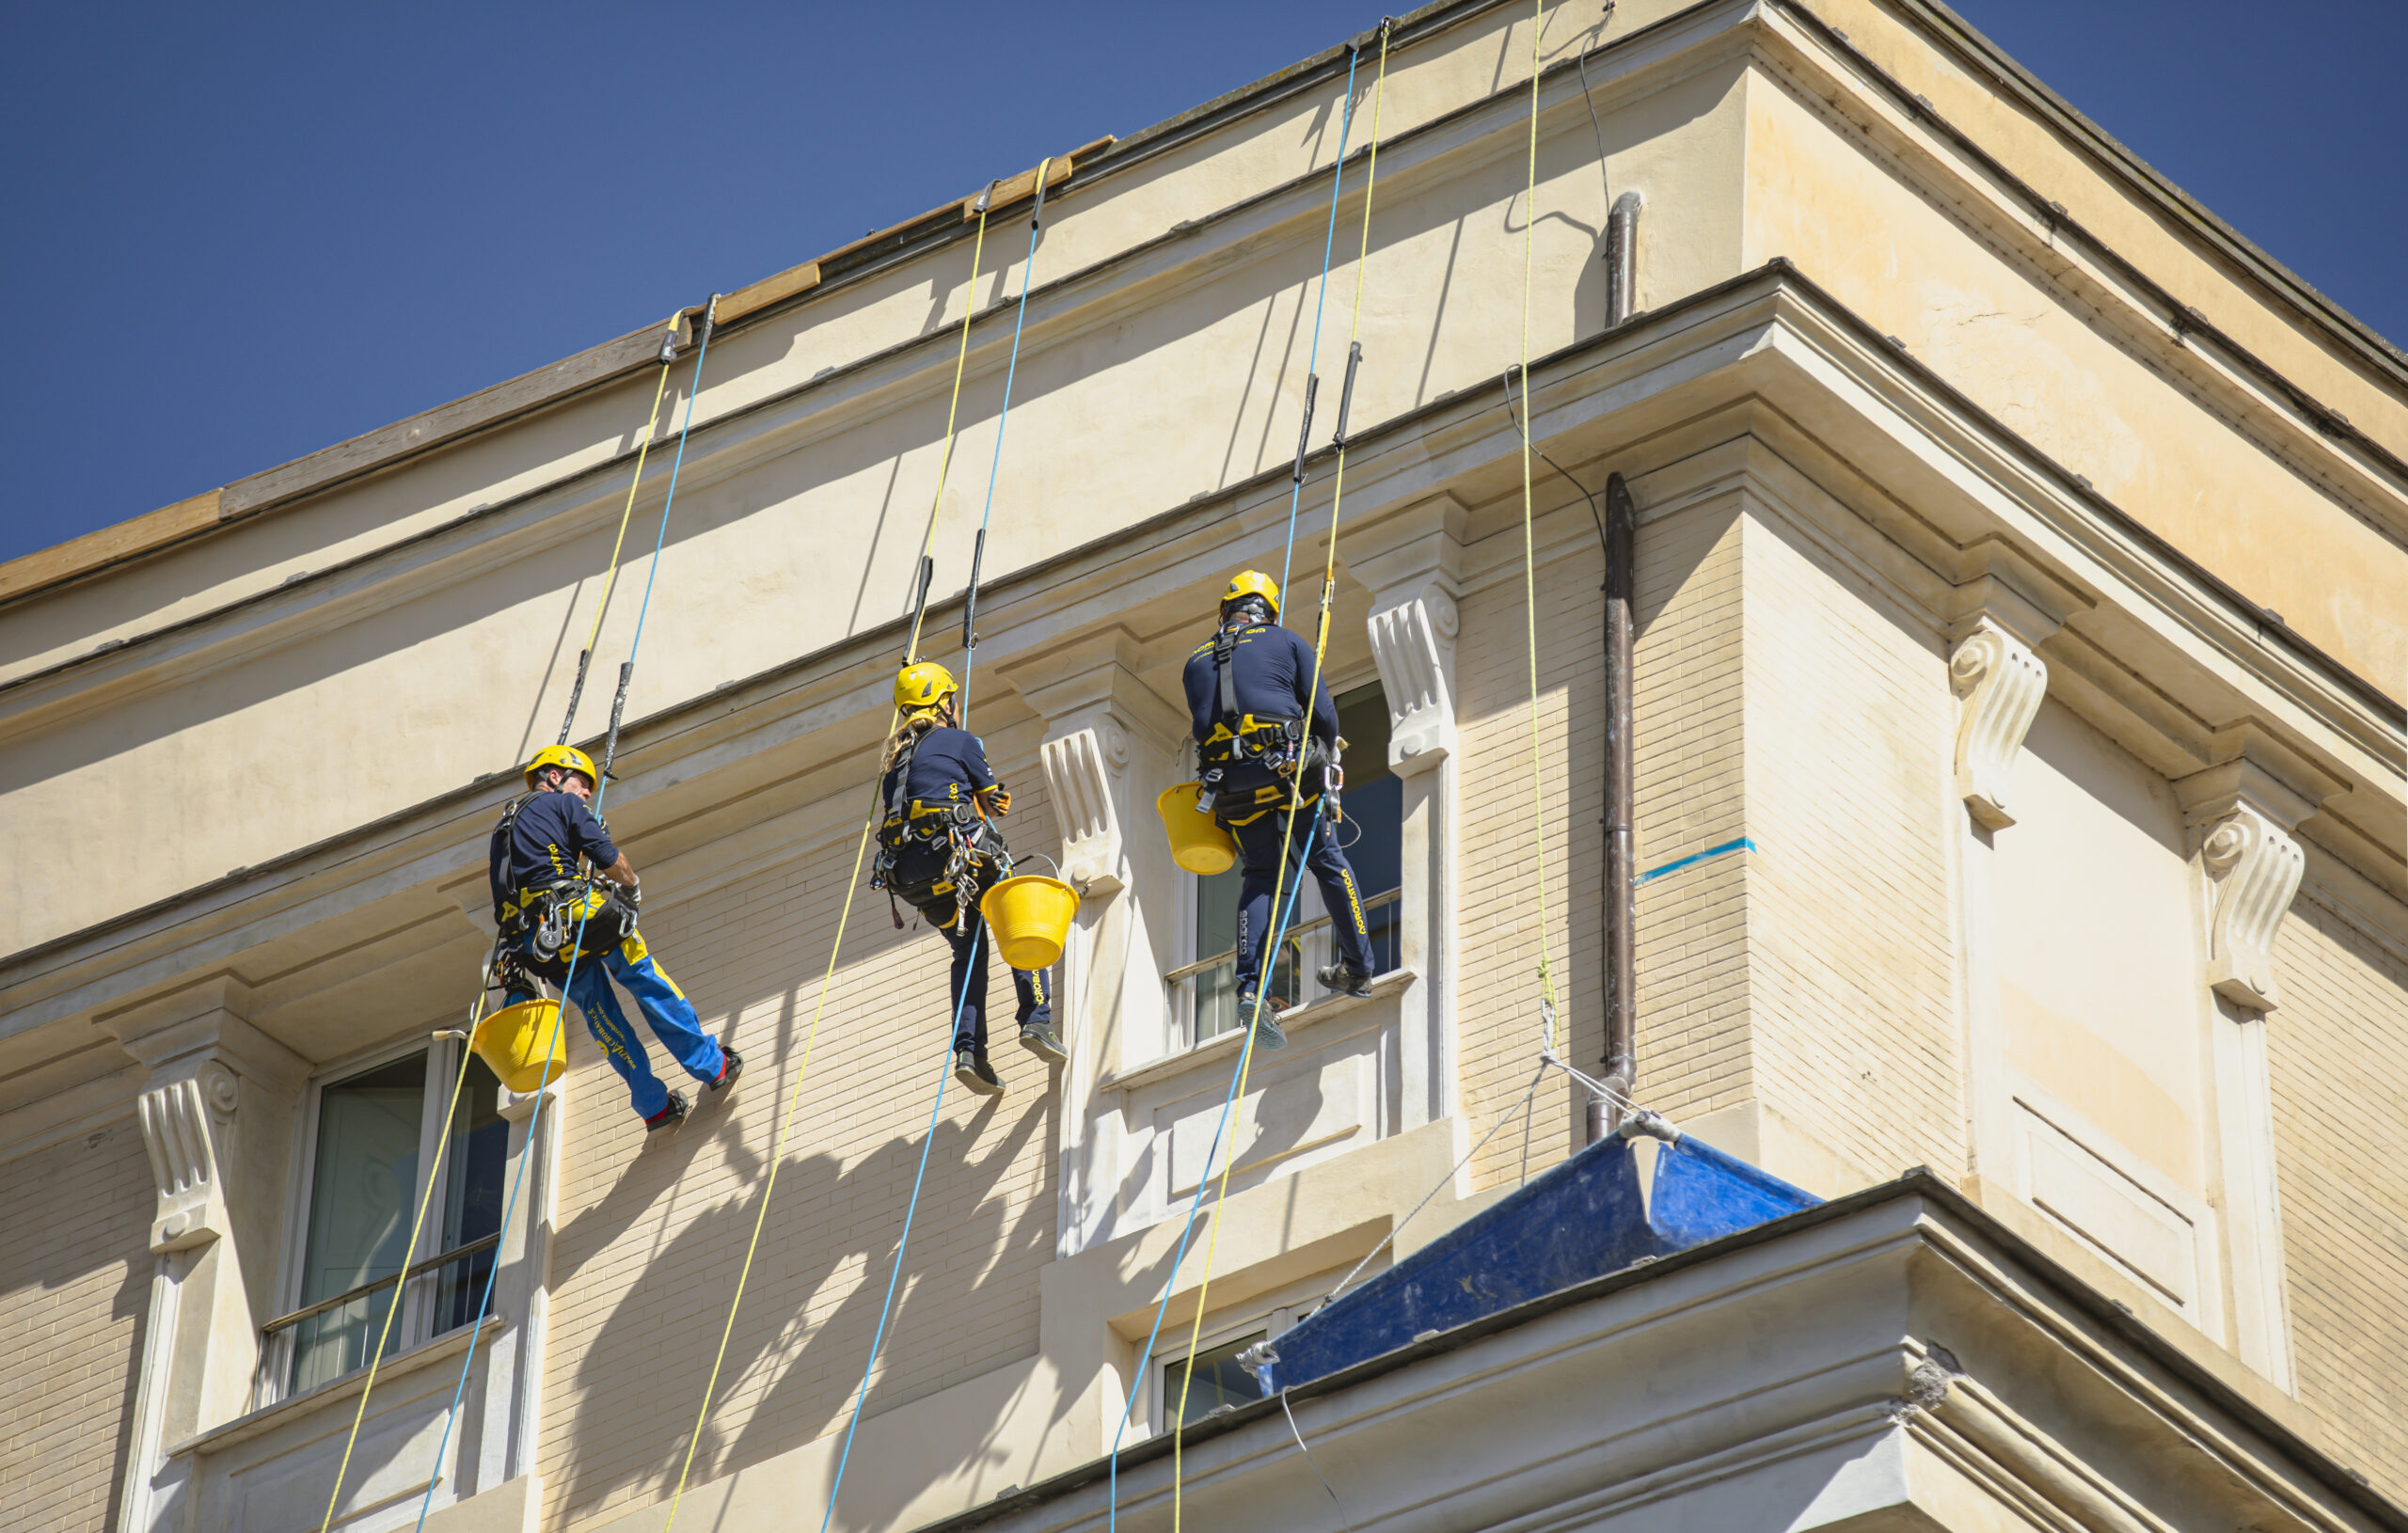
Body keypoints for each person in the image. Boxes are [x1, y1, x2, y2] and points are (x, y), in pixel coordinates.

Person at [489, 745, 740, 1132]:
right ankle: (711, 1064)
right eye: (581, 783)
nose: (587, 793)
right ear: (554, 778)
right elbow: (608, 857)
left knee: (601, 1014)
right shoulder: (565, 806)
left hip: (537, 941)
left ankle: (654, 1106)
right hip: (577, 913)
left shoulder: (504, 830)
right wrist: (632, 886)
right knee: (646, 979)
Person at [1180, 571, 1378, 1051]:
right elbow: (1324, 714)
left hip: (1230, 784)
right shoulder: (1287, 641)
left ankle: (1251, 989)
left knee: (1261, 876)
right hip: (1291, 772)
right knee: (1326, 860)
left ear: (1224, 612)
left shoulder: (1194, 662)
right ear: (1269, 611)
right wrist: (1328, 752)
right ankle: (1358, 965)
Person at [873, 661, 1064, 1098]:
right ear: (944, 702)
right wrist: (994, 800)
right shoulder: (960, 740)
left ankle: (968, 1050)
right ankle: (1036, 1018)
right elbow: (990, 798)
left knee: (968, 949)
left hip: (911, 877)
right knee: (1018, 916)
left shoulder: (894, 764)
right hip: (959, 857)